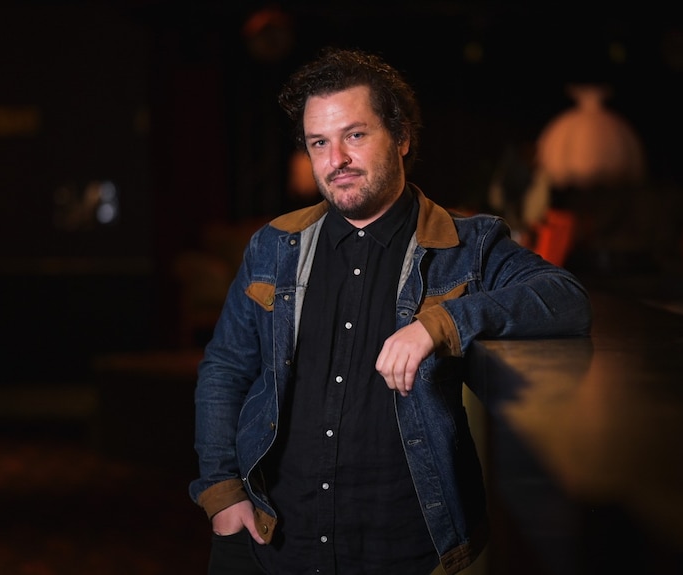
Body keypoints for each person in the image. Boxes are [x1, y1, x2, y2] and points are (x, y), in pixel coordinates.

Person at [189, 47, 592, 575]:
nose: (336, 160)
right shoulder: (273, 246)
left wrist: (442, 324)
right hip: (270, 541)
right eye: (319, 143)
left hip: (403, 547)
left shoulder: (464, 245)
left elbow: (565, 297)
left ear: (401, 138)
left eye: (354, 135)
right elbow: (225, 370)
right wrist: (222, 494)